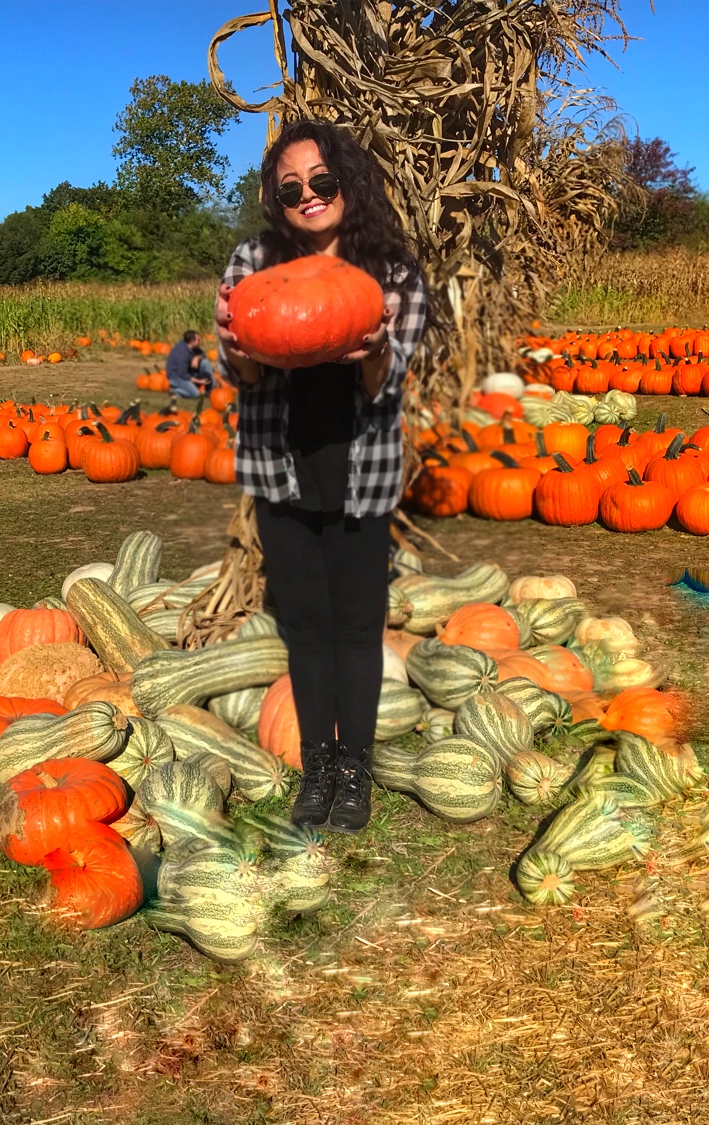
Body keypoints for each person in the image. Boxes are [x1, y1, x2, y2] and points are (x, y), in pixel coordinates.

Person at [213, 119, 427, 833]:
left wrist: (369, 349)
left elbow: (386, 379)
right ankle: (318, 766)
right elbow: (242, 373)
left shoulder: (391, 271)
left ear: (347, 184)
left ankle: (356, 768)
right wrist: (234, 343)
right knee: (305, 627)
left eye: (323, 182)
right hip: (282, 471)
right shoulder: (254, 261)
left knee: (357, 629)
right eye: (292, 187)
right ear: (277, 200)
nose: (309, 195)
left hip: (361, 472)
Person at [165, 330, 216, 398]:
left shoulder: (191, 346)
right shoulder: (182, 354)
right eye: (198, 340)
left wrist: (197, 358)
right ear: (192, 341)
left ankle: (211, 391)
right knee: (195, 394)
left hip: (189, 372)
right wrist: (200, 381)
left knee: (205, 362)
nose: (199, 341)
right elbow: (183, 375)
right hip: (177, 378)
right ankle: (175, 391)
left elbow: (203, 354)